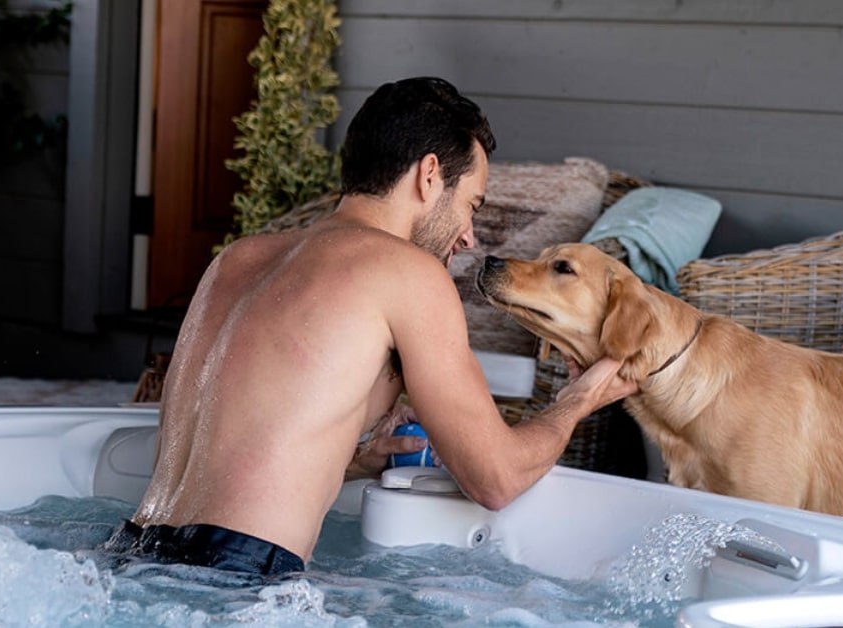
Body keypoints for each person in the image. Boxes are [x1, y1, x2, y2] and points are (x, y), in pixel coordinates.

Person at [102, 77, 638, 575]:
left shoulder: (236, 259)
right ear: (429, 176)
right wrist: (583, 395)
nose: (469, 236)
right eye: (470, 205)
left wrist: (353, 462)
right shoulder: (409, 271)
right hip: (236, 577)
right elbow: (495, 479)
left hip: (128, 553)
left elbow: (210, 460)